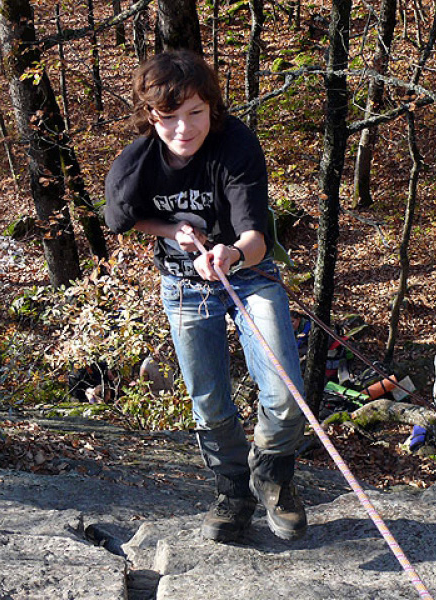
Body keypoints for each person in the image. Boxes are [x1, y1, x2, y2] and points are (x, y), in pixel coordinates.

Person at [104, 50, 307, 543]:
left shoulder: (235, 144)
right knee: (209, 398)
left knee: (283, 392)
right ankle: (233, 489)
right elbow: (124, 219)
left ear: (212, 108)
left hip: (249, 274)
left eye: (194, 112)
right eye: (168, 117)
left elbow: (256, 236)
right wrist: (173, 231)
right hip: (183, 283)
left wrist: (230, 255)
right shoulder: (137, 162)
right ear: (150, 116)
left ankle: (272, 476)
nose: (183, 128)